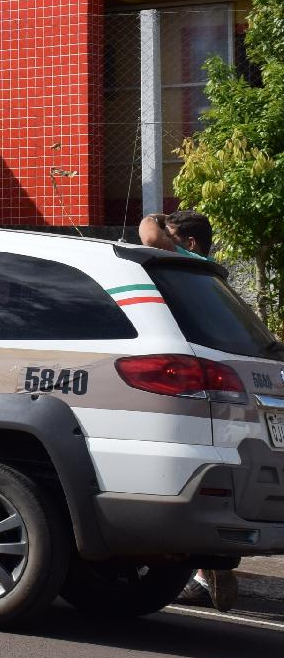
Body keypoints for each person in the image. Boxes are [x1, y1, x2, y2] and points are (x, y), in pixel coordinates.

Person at [137, 209, 235, 611]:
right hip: (222, 386)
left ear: (189, 243)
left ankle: (200, 575)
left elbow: (147, 232)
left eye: (174, 235)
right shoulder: (211, 278)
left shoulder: (189, 265)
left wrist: (157, 218)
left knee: (188, 484)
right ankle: (212, 574)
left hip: (198, 385)